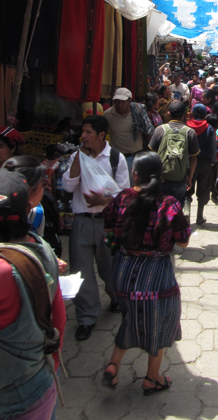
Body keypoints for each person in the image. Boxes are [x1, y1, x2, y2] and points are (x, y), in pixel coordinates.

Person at [101, 152, 190, 394]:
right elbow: (183, 241)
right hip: (155, 276)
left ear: (135, 174)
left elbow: (107, 226)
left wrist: (117, 243)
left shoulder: (121, 199)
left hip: (123, 272)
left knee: (130, 316)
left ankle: (113, 365)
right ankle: (152, 377)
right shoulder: (168, 204)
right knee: (159, 321)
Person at [0, 170, 66, 420]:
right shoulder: (42, 249)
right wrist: (51, 366)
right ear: (28, 209)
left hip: (8, 400)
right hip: (39, 383)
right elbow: (59, 319)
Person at [62, 115, 130, 341]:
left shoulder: (115, 158)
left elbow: (124, 194)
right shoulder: (76, 157)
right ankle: (86, 318)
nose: (83, 136)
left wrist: (104, 202)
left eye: (88, 132)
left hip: (107, 226)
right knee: (81, 272)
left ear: (102, 135)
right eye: (83, 132)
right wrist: (78, 159)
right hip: (81, 223)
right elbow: (68, 185)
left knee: (110, 268)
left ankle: (115, 298)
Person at [149, 100, 199, 208]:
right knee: (176, 210)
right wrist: (190, 178)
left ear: (168, 113)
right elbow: (193, 158)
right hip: (180, 180)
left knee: (160, 210)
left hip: (162, 179)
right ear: (184, 114)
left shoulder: (159, 130)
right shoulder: (190, 132)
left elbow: (152, 156)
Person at [103, 88, 154, 181]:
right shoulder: (108, 115)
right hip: (118, 158)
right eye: (117, 102)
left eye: (123, 102)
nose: (119, 105)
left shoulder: (138, 112)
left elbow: (148, 132)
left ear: (129, 101)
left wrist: (151, 152)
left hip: (137, 156)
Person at [186, 104, 218, 225]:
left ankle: (186, 214)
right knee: (203, 191)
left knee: (187, 189)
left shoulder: (187, 127)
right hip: (205, 163)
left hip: (189, 163)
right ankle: (199, 216)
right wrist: (213, 161)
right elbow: (212, 146)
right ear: (205, 115)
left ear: (192, 114)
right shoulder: (209, 128)